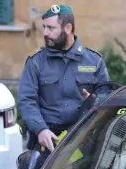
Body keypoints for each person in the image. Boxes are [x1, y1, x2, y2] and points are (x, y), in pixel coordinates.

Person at [18, 4, 109, 160]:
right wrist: (40, 130)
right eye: (44, 27)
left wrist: (95, 101)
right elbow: (26, 100)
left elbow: (106, 100)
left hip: (83, 143)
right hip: (47, 143)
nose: (45, 33)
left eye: (51, 28)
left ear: (67, 28)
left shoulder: (94, 61)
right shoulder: (36, 62)